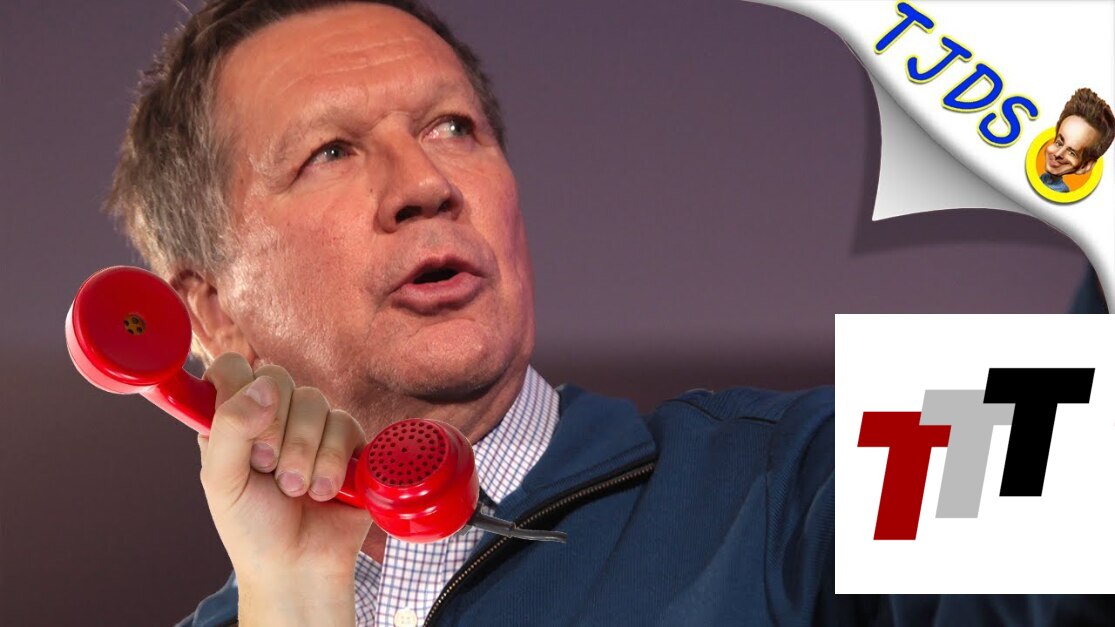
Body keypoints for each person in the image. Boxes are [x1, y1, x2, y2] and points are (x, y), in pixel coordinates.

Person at [104, 1, 1111, 625]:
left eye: (453, 127)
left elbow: (1086, 460)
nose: (424, 184)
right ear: (210, 310)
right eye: (331, 152)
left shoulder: (807, 469)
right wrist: (291, 607)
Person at [1039, 88, 1115, 193]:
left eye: (1072, 153)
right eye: (1059, 143)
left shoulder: (1061, 194)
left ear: (1086, 166)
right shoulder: (1042, 179)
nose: (1057, 154)